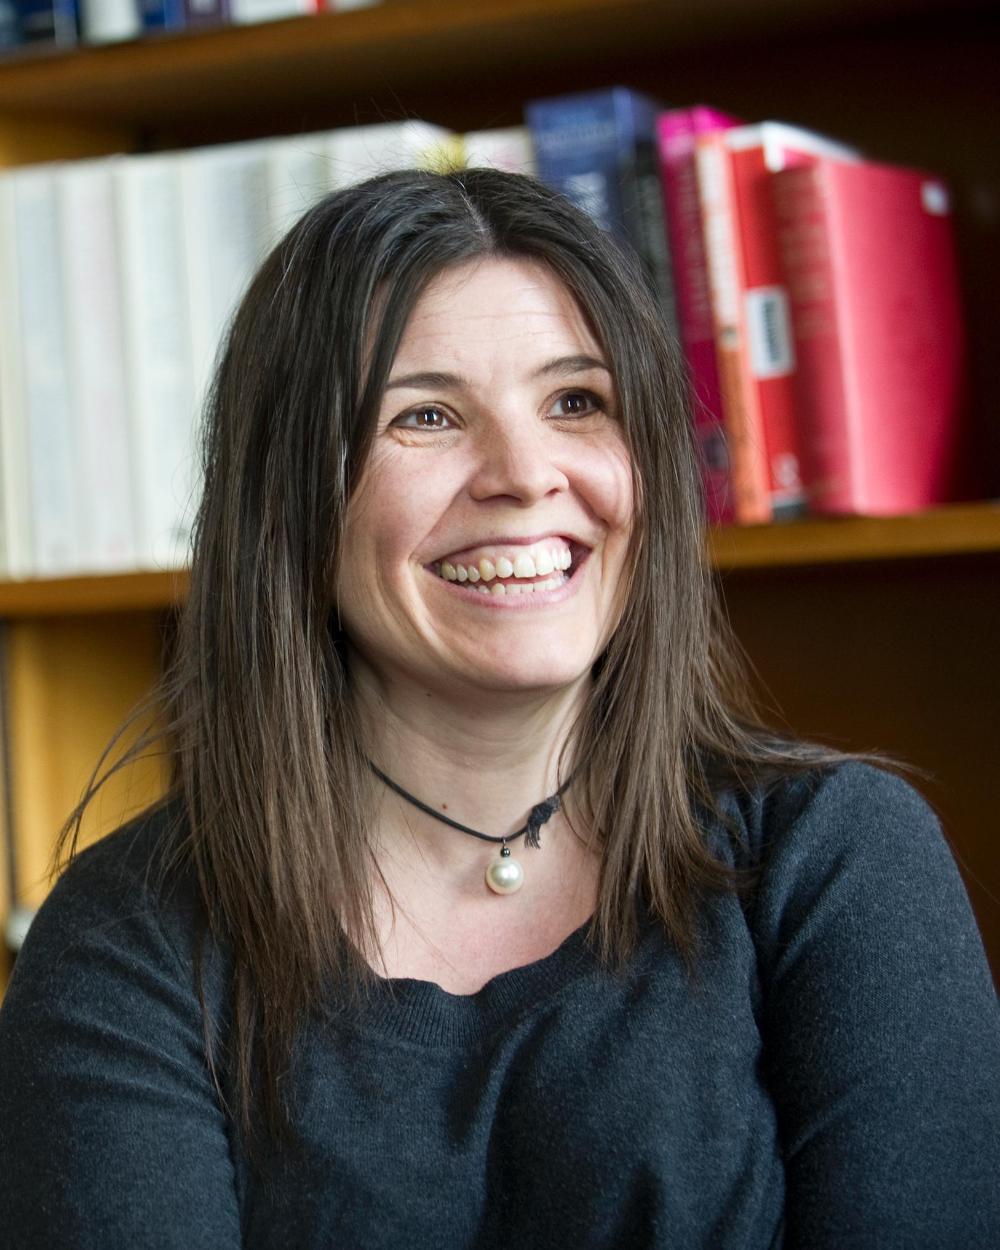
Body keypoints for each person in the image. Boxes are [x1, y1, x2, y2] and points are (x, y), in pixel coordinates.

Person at [0, 167, 997, 1250]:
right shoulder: (128, 940)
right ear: (287, 498)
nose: (524, 474)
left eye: (577, 401)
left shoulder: (835, 861)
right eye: (424, 415)